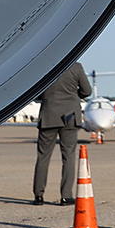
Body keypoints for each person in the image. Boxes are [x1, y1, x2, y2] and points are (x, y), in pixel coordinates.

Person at [33, 61, 92, 205]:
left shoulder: (44, 65)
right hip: (69, 115)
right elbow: (87, 91)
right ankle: (66, 195)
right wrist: (72, 95)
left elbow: (35, 93)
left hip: (48, 115)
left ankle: (38, 195)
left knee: (43, 157)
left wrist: (48, 96)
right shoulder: (76, 67)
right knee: (68, 156)